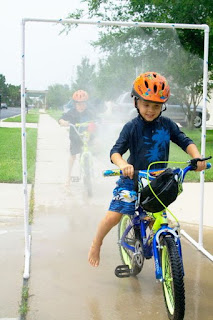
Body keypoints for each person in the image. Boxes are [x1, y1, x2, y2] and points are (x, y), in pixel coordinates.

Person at [88, 71, 206, 267]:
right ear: (136, 102)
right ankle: (96, 243)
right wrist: (123, 165)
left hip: (157, 182)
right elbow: (115, 152)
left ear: (163, 106)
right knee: (114, 215)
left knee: (158, 218)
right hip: (131, 178)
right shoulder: (131, 127)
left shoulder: (167, 125)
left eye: (156, 106)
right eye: (146, 104)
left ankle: (161, 248)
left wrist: (197, 157)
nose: (151, 110)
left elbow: (185, 141)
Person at [59, 89, 94, 186]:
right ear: (74, 104)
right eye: (78, 104)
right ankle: (68, 177)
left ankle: (89, 171)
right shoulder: (71, 112)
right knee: (73, 156)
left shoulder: (89, 112)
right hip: (75, 137)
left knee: (91, 149)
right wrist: (63, 122)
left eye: (83, 103)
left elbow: (96, 119)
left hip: (87, 137)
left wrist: (98, 122)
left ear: (86, 103)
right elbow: (61, 118)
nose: (81, 106)